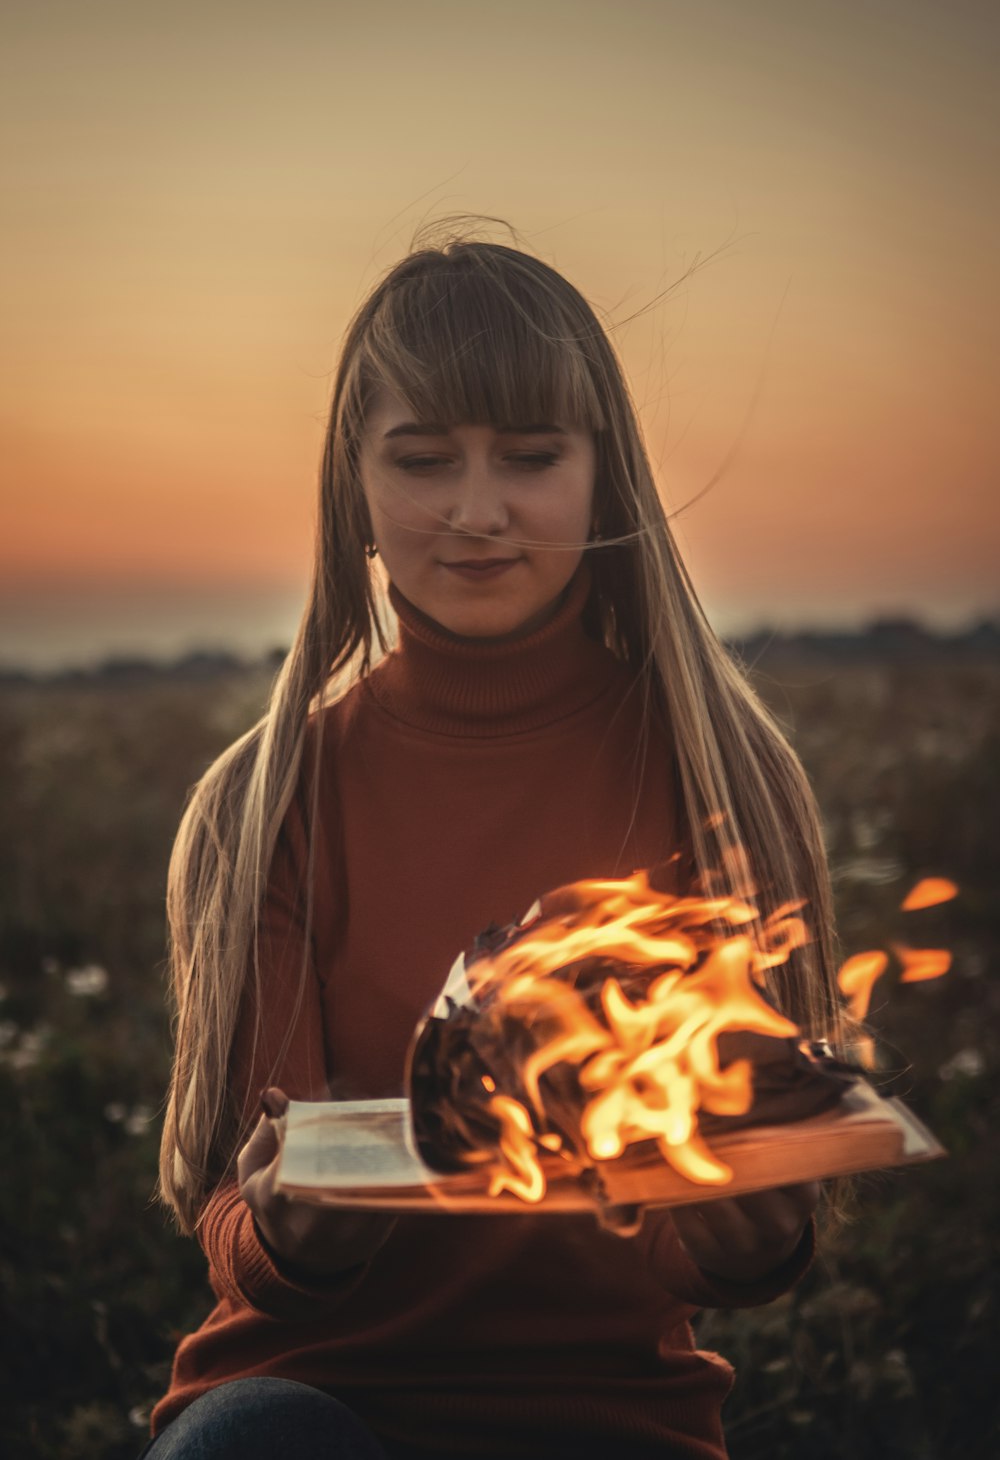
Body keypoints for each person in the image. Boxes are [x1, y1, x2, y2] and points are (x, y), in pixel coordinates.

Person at [146, 219, 845, 1460]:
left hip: (611, 1414)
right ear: (352, 491)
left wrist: (760, 1226)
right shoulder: (265, 801)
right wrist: (289, 1233)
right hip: (309, 1400)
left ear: (605, 478)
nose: (477, 512)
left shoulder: (724, 776)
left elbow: (747, 1219)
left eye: (530, 457)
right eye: (422, 460)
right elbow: (233, 1216)